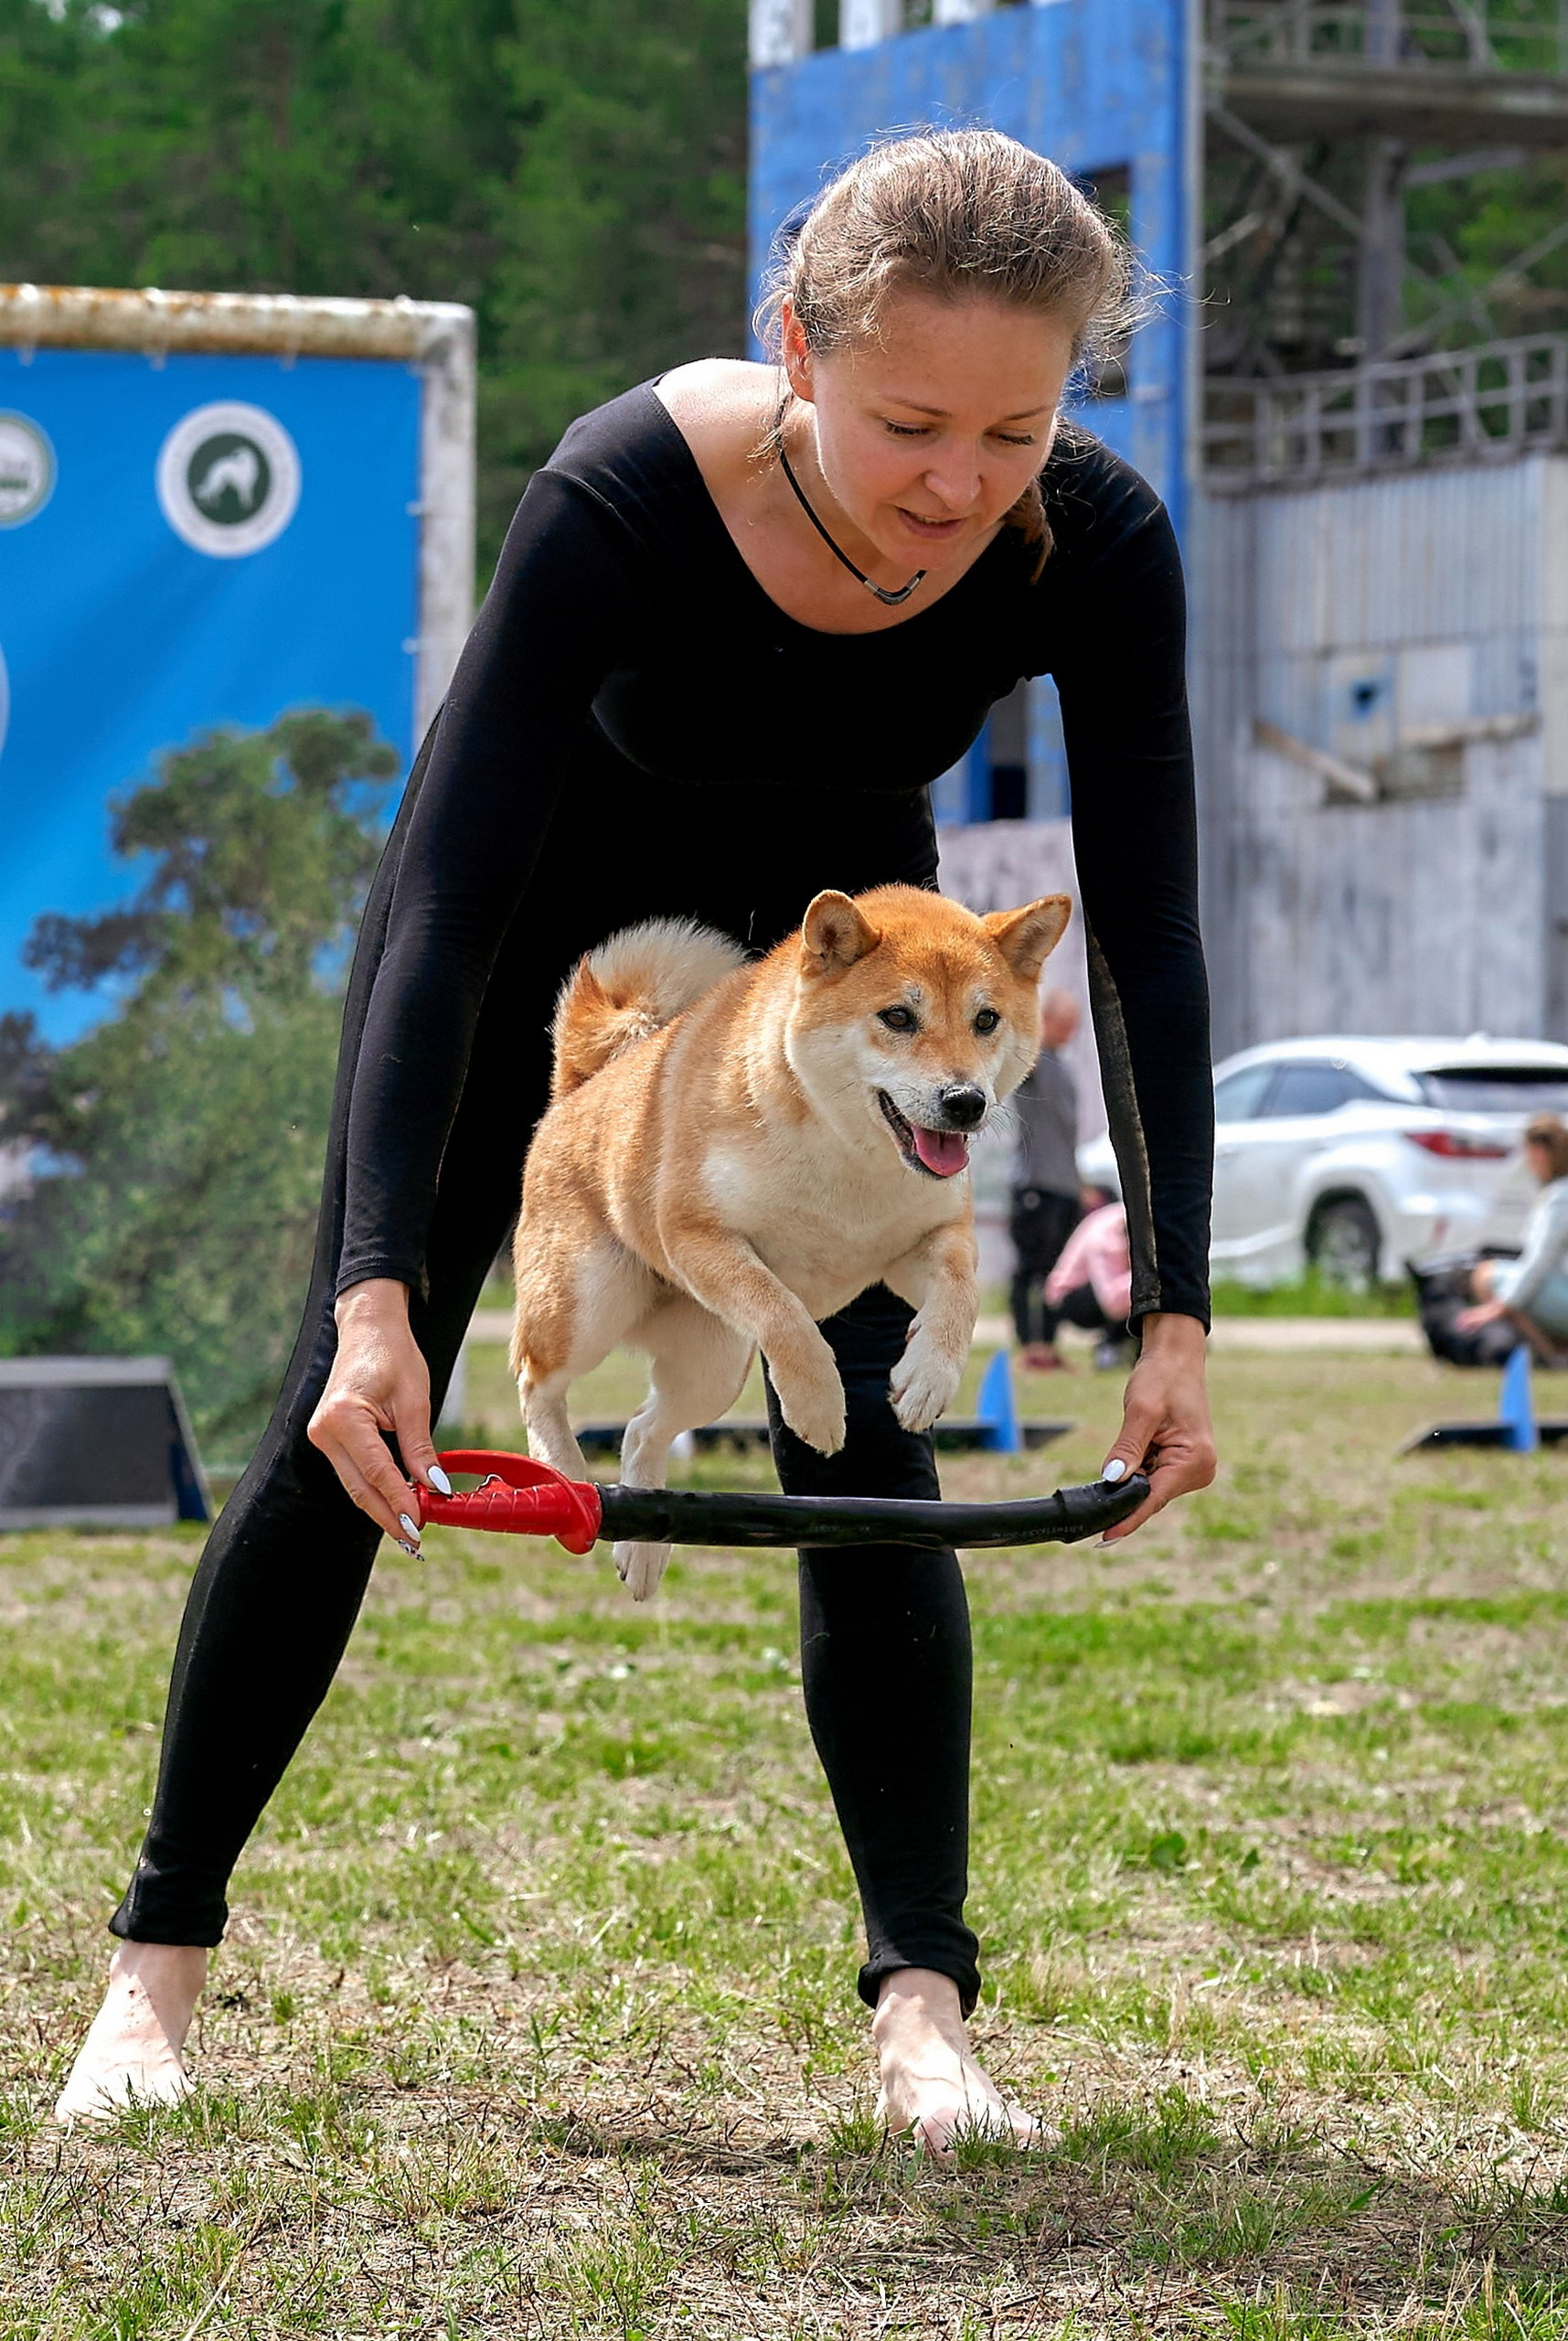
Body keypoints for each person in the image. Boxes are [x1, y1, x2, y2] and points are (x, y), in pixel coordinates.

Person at [55, 131, 1217, 2150]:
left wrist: (1178, 1308)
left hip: (837, 951)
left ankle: (925, 2014)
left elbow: (1147, 935)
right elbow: (438, 902)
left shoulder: (1090, 543)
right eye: (907, 424)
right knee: (344, 1419)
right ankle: (151, 1978)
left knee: (860, 1425)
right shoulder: (618, 493)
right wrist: (375, 1284)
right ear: (795, 350)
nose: (958, 484)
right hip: (522, 916)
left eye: (1014, 430)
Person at [1456, 1114, 1568, 1356]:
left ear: (1540, 1152)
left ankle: (1547, 1356)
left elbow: (1538, 1261)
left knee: (1485, 1275)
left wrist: (1497, 1308)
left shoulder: (1563, 1197)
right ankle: (1563, 1354)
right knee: (1509, 1278)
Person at [1008, 989, 1083, 1371]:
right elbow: (1013, 1036)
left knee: (1057, 1274)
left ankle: (1049, 1347)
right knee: (1030, 1271)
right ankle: (1028, 1345)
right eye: (1064, 1024)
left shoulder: (1063, 1068)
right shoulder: (1032, 1062)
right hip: (1035, 1185)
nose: (1070, 1032)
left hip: (1065, 1187)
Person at [1044, 1198, 1136, 1369]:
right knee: (1139, 1293)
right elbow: (1112, 1302)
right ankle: (1110, 1348)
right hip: (1073, 1297)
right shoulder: (1107, 1237)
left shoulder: (1124, 1218)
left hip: (1105, 1289)